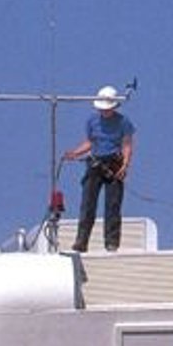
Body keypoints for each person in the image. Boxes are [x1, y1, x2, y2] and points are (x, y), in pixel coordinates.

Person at [62, 85, 135, 252]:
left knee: (113, 204)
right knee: (88, 203)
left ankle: (111, 242)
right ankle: (82, 241)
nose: (105, 111)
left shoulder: (124, 122)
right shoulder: (92, 121)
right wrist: (75, 153)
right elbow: (90, 141)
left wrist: (125, 165)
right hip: (95, 162)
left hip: (114, 163)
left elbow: (127, 144)